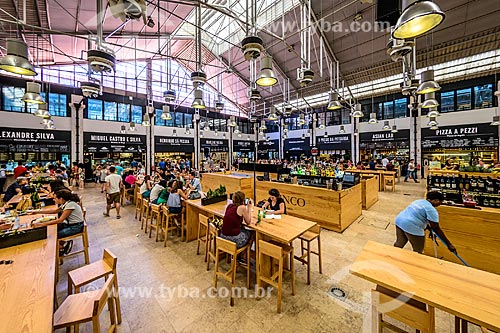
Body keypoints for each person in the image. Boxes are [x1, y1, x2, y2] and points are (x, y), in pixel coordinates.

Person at [34, 189, 84, 256]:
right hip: (69, 224)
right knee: (52, 231)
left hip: (75, 227)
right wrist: (37, 212)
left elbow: (60, 220)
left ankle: (62, 248)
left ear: (61, 199)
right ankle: (62, 244)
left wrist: (42, 224)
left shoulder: (70, 205)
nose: (54, 200)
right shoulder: (65, 203)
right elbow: (55, 211)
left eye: (55, 198)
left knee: (53, 236)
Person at [220, 191, 255, 262]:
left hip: (222, 236)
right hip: (233, 239)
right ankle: (244, 256)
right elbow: (248, 222)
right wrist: (249, 208)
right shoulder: (242, 207)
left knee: (243, 230)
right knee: (253, 233)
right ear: (243, 199)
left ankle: (240, 255)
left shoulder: (229, 206)